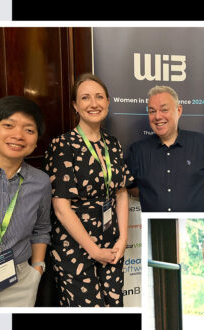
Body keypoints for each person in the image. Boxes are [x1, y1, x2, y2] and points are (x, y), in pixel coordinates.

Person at [44, 73, 133, 307]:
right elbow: (61, 207)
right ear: (75, 105)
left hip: (111, 242)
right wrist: (93, 250)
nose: (93, 104)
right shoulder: (62, 145)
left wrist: (123, 238)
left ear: (108, 102)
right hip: (76, 246)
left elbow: (121, 192)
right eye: (85, 98)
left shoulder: (112, 143)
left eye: (99, 97)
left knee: (114, 305)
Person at [0, 96, 51, 307]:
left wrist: (37, 270)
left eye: (29, 130)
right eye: (8, 125)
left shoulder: (40, 182)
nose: (18, 135)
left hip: (20, 280)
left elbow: (41, 228)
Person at [126, 85, 204, 212]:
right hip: (156, 227)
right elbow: (131, 187)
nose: (157, 117)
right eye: (152, 111)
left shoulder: (201, 142)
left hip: (194, 227)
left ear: (179, 110)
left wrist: (193, 191)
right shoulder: (138, 150)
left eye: (164, 110)